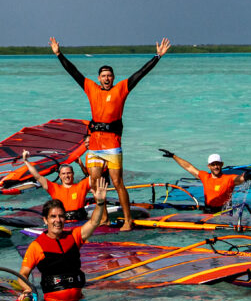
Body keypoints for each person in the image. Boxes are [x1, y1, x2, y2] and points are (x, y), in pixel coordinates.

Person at [49, 36, 171, 230]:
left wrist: (157, 56)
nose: (107, 78)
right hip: (95, 145)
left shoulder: (121, 89)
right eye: (104, 76)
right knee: (95, 183)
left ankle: (128, 220)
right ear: (99, 78)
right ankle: (104, 217)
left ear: (113, 78)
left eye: (109, 75)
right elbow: (74, 72)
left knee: (117, 182)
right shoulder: (91, 88)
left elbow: (140, 74)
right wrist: (58, 54)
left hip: (112, 144)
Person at [17, 178, 109, 301]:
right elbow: (22, 276)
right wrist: (27, 290)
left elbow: (94, 222)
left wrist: (100, 203)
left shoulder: (74, 236)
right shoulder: (37, 246)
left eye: (61, 216)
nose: (58, 220)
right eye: (53, 217)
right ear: (45, 220)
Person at [159, 150, 247, 211]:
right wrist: (173, 156)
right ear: (209, 166)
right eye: (213, 164)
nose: (216, 167)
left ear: (222, 164)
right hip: (207, 210)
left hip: (225, 212)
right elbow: (189, 167)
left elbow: (239, 179)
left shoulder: (229, 178)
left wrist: (246, 177)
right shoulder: (205, 177)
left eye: (218, 164)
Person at [21, 150, 92, 222]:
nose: (66, 176)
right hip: (63, 223)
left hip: (81, 221)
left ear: (73, 174)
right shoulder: (54, 188)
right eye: (63, 174)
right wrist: (26, 161)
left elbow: (94, 176)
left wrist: (81, 164)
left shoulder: (81, 185)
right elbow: (37, 176)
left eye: (69, 173)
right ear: (60, 176)